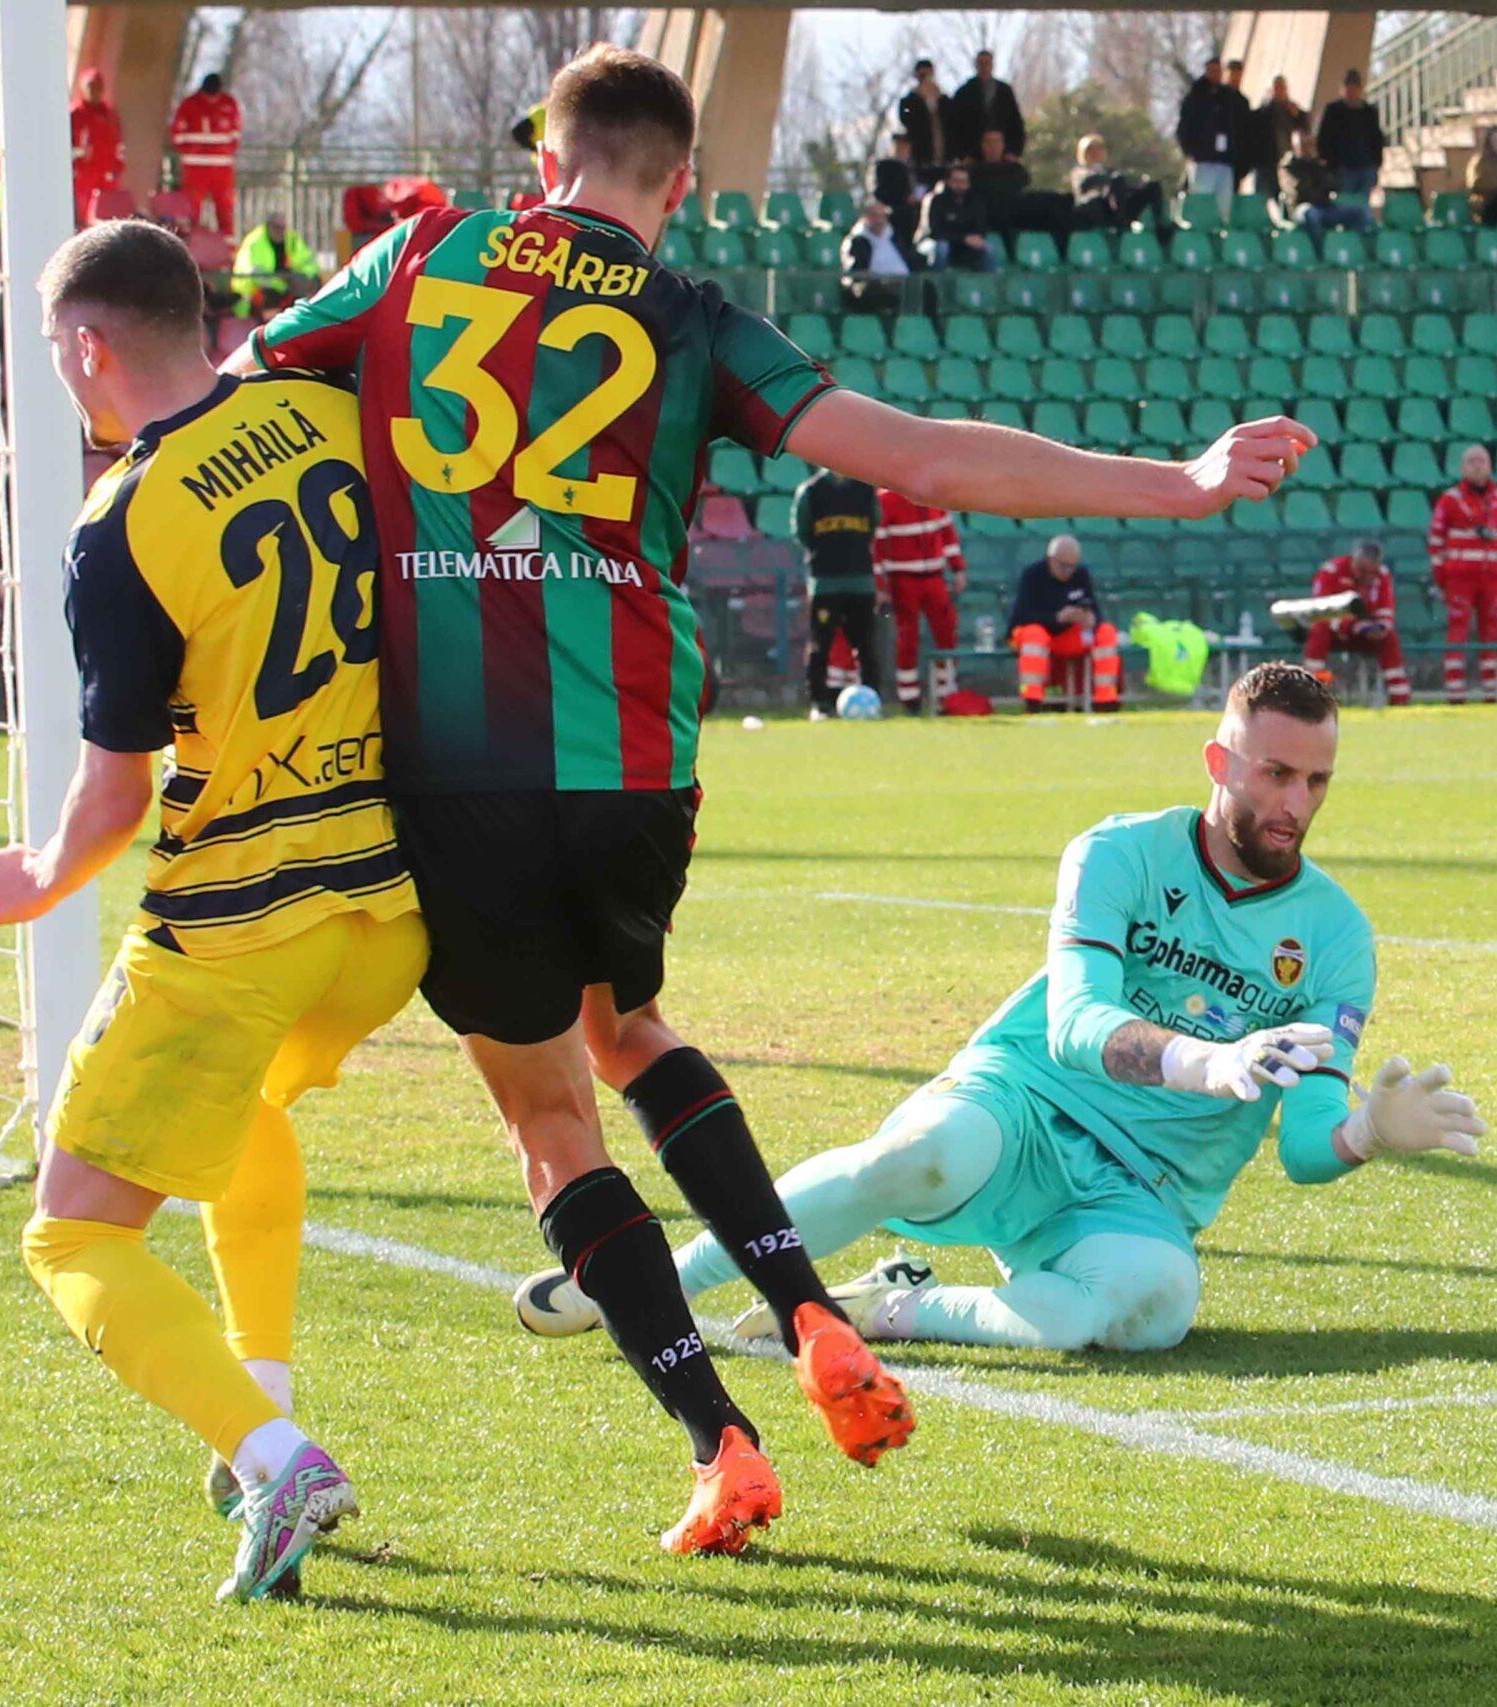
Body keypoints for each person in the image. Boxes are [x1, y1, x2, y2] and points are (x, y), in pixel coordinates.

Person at [229, 45, 1314, 1549]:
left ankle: (719, 1438)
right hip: (635, 755)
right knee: (630, 1029)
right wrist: (1182, 479)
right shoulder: (692, 318)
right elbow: (924, 458)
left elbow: (241, 395)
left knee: (551, 1115)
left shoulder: (419, 255)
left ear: (545, 160)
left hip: (457, 759)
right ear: (679, 184)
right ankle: (808, 1307)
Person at [521, 664, 1483, 1354]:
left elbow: (1305, 1147)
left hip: (1144, 1190)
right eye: (1275, 773)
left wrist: (1365, 1130)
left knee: (1152, 1310)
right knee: (915, 1158)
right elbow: (1076, 1024)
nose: (1295, 803)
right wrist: (1209, 1061)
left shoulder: (1336, 934)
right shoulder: (1117, 853)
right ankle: (655, 1286)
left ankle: (889, 1308)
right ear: (1218, 760)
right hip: (1025, 1101)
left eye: (1316, 781)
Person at [0, 218, 426, 1604]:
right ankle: (262, 1396)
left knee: (71, 1230)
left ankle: (273, 1454)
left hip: (242, 919)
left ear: (88, 346)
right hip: (390, 905)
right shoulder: (328, 413)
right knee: (249, 1111)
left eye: (53, 350)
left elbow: (113, 796)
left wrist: (39, 877)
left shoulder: (123, 523)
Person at [873, 486, 968, 713]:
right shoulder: (886, 500)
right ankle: (909, 696)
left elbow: (947, 533)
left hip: (935, 577)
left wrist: (957, 568)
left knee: (947, 632)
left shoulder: (933, 492)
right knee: (908, 638)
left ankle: (947, 693)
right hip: (902, 578)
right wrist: (880, 585)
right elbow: (877, 547)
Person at [797, 467, 881, 718]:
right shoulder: (811, 491)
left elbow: (873, 527)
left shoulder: (865, 490)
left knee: (866, 645)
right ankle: (819, 704)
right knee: (820, 645)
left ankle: (872, 700)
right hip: (825, 582)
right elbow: (802, 533)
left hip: (860, 581)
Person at [1430, 444, 1497, 704]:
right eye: (1472, 461)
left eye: (1482, 461)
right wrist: (1442, 577)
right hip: (1460, 577)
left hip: (1491, 576)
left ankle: (1491, 692)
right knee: (1458, 629)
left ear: (1490, 466)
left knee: (1491, 631)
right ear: (1463, 468)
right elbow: (1436, 541)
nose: (1477, 466)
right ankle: (1455, 693)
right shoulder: (1450, 500)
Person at [1010, 534, 1120, 712]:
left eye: (1072, 566)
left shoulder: (1081, 574)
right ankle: (1032, 699)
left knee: (1106, 631)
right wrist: (1057, 617)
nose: (1068, 571)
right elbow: (1021, 616)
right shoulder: (1032, 575)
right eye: (1063, 566)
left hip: (1067, 636)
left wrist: (1091, 619)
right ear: (1051, 559)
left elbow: (1094, 608)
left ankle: (1106, 699)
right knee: (1034, 634)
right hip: (1039, 634)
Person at [1299, 539, 1409, 705]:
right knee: (1320, 629)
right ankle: (1313, 694)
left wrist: (1381, 628)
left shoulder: (1382, 575)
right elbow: (1322, 611)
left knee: (1390, 637)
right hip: (1335, 632)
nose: (1367, 577)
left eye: (1372, 572)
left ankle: (1400, 699)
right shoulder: (1332, 571)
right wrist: (1353, 625)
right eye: (1363, 571)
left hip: (1366, 634)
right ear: (1354, 561)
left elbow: (1386, 610)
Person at [169, 72, 243, 235]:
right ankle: (192, 244)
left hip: (221, 166)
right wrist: (193, 151)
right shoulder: (190, 104)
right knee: (192, 210)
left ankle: (227, 246)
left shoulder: (229, 104)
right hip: (196, 166)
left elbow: (235, 134)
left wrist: (224, 151)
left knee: (225, 210)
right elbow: (177, 135)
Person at [1177, 57, 1242, 213]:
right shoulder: (1195, 98)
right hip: (1203, 161)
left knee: (1224, 207)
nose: (1215, 74)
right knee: (1202, 204)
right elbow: (1184, 129)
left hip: (1225, 162)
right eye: (1212, 71)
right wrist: (1193, 152)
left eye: (1218, 71)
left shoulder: (1228, 98)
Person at [1314, 69, 1385, 207]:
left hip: (1365, 166)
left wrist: (1376, 163)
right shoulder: (1333, 111)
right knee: (1344, 204)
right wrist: (1330, 163)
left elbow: (1376, 138)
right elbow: (1323, 139)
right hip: (1342, 168)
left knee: (1362, 204)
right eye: (1348, 88)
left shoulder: (1369, 112)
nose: (1351, 92)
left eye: (1354, 88)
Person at [1070, 134, 1167, 233]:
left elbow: (1122, 183)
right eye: (1091, 149)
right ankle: (1120, 223)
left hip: (1119, 208)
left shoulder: (1109, 171)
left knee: (1153, 186)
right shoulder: (1079, 172)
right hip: (1097, 210)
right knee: (1116, 181)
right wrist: (1110, 180)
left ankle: (1160, 226)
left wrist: (1139, 182)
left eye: (1099, 148)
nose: (1096, 152)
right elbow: (1087, 184)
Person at [230, 213, 319, 315]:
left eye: (283, 227)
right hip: (251, 291)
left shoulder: (291, 238)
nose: (281, 231)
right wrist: (284, 285)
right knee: (271, 293)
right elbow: (258, 276)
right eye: (276, 227)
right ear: (268, 225)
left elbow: (308, 262)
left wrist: (306, 277)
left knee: (309, 289)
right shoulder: (256, 241)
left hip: (283, 283)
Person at [841, 199, 916, 314]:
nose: (879, 220)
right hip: (876, 285)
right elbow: (856, 272)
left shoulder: (895, 237)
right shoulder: (858, 241)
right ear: (866, 217)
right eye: (874, 216)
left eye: (883, 216)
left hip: (904, 282)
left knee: (926, 288)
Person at [70, 67, 126, 218]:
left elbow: (118, 143)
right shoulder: (75, 114)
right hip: (83, 176)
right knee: (81, 215)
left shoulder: (109, 115)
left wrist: (118, 167)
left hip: (106, 176)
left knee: (105, 215)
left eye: (97, 86)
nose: (94, 91)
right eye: (90, 86)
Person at [1284, 132, 1366, 235]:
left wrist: (1317, 164)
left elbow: (1333, 185)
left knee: (1359, 213)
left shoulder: (1318, 164)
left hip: (1324, 206)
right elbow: (1300, 191)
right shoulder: (1289, 167)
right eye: (1303, 144)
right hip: (1301, 208)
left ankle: (1351, 243)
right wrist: (1319, 185)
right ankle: (1319, 245)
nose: (1307, 148)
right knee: (1312, 215)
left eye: (1309, 144)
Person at [919, 161, 997, 270]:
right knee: (942, 248)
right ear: (948, 182)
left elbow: (981, 228)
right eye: (955, 181)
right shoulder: (938, 201)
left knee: (990, 248)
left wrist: (974, 239)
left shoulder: (976, 202)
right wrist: (963, 238)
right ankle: (939, 279)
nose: (959, 185)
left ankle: (988, 279)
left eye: (963, 181)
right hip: (942, 243)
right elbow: (936, 231)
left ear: (968, 183)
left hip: (968, 245)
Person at [951, 50, 1024, 161]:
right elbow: (955, 126)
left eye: (987, 63)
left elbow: (1015, 123)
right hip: (973, 155)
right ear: (976, 65)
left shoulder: (1004, 91)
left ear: (992, 65)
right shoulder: (964, 93)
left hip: (1003, 156)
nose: (984, 67)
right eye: (981, 63)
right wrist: (963, 155)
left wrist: (1014, 151)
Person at [1249, 74, 1304, 204]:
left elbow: (1304, 131)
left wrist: (1298, 116)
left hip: (1287, 164)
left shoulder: (1293, 110)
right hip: (1265, 163)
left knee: (1285, 200)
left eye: (1282, 88)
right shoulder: (1263, 112)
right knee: (1261, 200)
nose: (1279, 91)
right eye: (1276, 88)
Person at [897, 59, 947, 175]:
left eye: (928, 74)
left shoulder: (943, 99)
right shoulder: (908, 101)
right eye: (922, 75)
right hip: (920, 157)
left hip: (943, 155)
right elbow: (905, 117)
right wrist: (918, 98)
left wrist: (939, 98)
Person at [871, 132, 921, 245]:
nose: (903, 149)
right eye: (899, 146)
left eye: (905, 146)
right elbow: (880, 192)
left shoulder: (913, 166)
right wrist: (904, 198)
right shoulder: (884, 166)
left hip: (914, 213)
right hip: (894, 213)